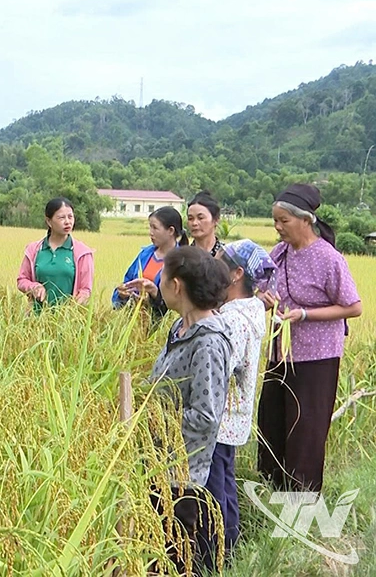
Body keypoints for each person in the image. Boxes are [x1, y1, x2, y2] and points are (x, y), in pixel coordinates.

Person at [257, 184, 362, 492]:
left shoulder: (328, 259)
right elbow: (264, 287)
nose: (278, 227)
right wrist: (264, 299)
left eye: (283, 221)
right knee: (272, 421)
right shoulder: (279, 253)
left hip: (316, 358)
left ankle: (300, 502)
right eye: (275, 221)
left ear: (305, 220)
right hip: (280, 353)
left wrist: (304, 314)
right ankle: (269, 490)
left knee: (305, 429)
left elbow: (353, 307)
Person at [149, 246, 234, 573]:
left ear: (177, 285)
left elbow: (205, 417)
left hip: (180, 477)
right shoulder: (179, 329)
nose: (159, 281)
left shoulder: (209, 342)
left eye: (163, 275)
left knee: (176, 560)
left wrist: (154, 420)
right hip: (156, 465)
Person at [205, 239, 274, 555]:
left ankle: (218, 552)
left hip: (218, 419)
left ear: (236, 274)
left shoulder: (231, 321)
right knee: (226, 485)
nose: (213, 261)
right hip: (234, 418)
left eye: (219, 258)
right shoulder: (252, 308)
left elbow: (218, 367)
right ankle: (229, 548)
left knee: (215, 490)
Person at [16, 197, 94, 311]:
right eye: (61, 217)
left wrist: (73, 307)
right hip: (36, 319)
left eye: (70, 216)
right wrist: (34, 287)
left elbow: (86, 290)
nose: (68, 221)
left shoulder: (83, 253)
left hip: (68, 321)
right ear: (49, 221)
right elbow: (22, 280)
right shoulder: (34, 250)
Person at [113, 206, 188, 319]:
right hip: (135, 322)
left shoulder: (182, 261)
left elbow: (181, 302)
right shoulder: (145, 254)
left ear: (171, 231)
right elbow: (128, 281)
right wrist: (122, 293)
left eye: (155, 228)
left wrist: (154, 292)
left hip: (160, 326)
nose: (150, 233)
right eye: (150, 227)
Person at [187, 191, 224, 256]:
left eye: (200, 218)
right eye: (190, 218)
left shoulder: (226, 255)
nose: (194, 223)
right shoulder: (183, 257)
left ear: (216, 220)